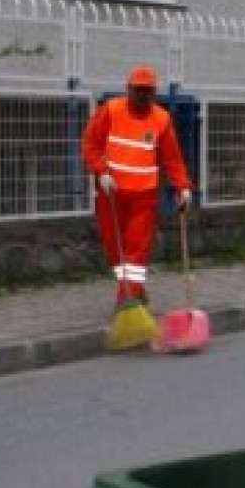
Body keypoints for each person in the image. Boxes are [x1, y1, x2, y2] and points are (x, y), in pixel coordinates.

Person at [81, 65, 193, 309]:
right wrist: (101, 172)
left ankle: (127, 299)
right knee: (115, 248)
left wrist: (182, 187)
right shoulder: (110, 111)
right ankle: (134, 291)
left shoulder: (161, 119)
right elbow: (90, 145)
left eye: (147, 91)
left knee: (137, 247)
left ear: (154, 93)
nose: (142, 96)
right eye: (138, 90)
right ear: (128, 89)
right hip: (112, 194)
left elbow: (172, 158)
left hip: (144, 195)